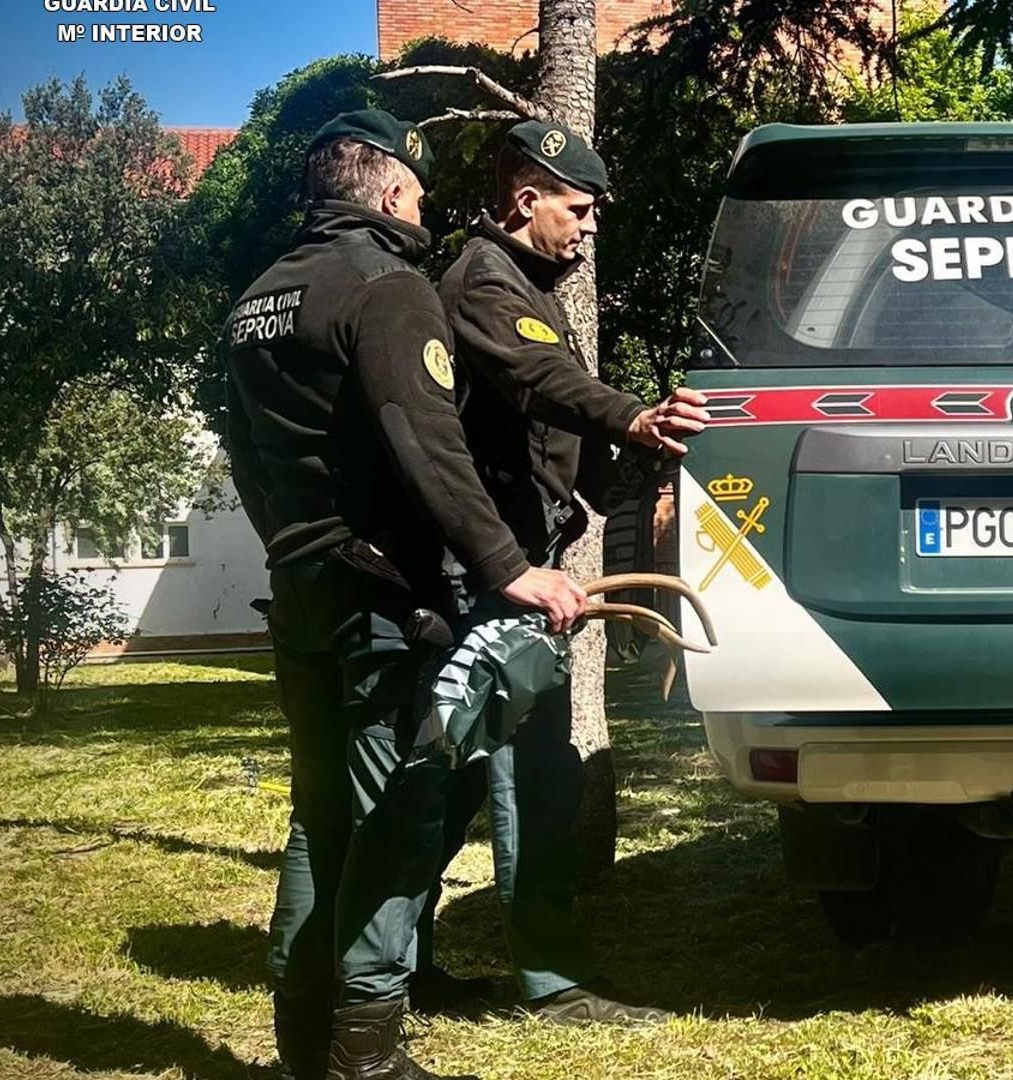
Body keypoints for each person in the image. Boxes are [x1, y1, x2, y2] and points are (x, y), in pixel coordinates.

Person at [224, 109, 589, 1080]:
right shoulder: (389, 288)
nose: (423, 214)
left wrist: (292, 549)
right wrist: (509, 568)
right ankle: (367, 1052)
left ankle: (304, 1045)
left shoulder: (257, 299)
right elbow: (427, 443)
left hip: (301, 591)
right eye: (419, 197)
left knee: (321, 819)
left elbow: (246, 457)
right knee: (398, 816)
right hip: (384, 600)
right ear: (391, 192)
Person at [419, 119, 709, 1024]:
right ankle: (549, 983)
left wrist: (630, 475)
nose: (590, 226)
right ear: (525, 199)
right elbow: (545, 379)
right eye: (578, 209)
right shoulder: (483, 282)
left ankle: (401, 961)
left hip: (507, 568)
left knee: (460, 775)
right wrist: (633, 418)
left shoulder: (526, 286)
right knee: (525, 775)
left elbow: (551, 429)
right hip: (490, 578)